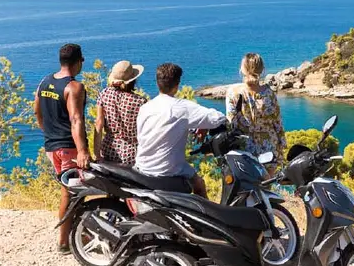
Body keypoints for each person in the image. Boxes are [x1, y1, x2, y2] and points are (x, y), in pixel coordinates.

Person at [135, 63, 226, 198]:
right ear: (177, 84)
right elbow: (218, 118)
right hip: (168, 169)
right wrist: (203, 125)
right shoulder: (182, 108)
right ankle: (202, 211)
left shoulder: (145, 108)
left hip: (143, 166)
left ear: (158, 83)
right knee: (199, 184)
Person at [34, 43, 90, 254]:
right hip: (69, 148)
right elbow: (76, 119)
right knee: (71, 193)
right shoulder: (74, 87)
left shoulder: (44, 82)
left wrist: (48, 132)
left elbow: (37, 111)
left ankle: (78, 233)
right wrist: (82, 150)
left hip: (52, 146)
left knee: (70, 190)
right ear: (79, 61)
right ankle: (65, 242)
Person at [226, 53, 287, 165]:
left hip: (244, 149)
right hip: (269, 149)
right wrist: (282, 145)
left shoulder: (233, 92)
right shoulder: (269, 93)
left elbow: (231, 123)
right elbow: (278, 123)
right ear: (262, 70)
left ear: (242, 70)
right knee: (267, 177)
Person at [94, 60, 147, 166]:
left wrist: (96, 154)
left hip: (109, 148)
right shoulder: (140, 102)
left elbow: (99, 124)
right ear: (133, 80)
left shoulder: (104, 94)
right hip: (132, 153)